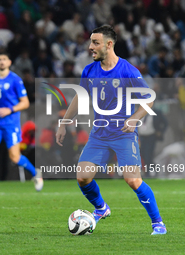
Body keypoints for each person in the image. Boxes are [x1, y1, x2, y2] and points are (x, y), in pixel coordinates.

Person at [56, 25, 167, 235]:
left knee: (133, 180)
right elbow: (80, 98)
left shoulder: (128, 71)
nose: (90, 47)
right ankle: (101, 208)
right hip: (99, 134)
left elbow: (148, 99)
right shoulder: (89, 70)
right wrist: (64, 123)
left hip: (123, 134)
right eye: (90, 42)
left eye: (95, 43)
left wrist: (134, 119)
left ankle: (158, 223)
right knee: (82, 177)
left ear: (109, 44)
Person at [0, 53, 43, 195]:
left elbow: (25, 103)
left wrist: (10, 109)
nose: (2, 62)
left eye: (4, 59)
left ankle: (35, 172)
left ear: (9, 62)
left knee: (14, 157)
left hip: (11, 124)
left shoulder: (15, 80)